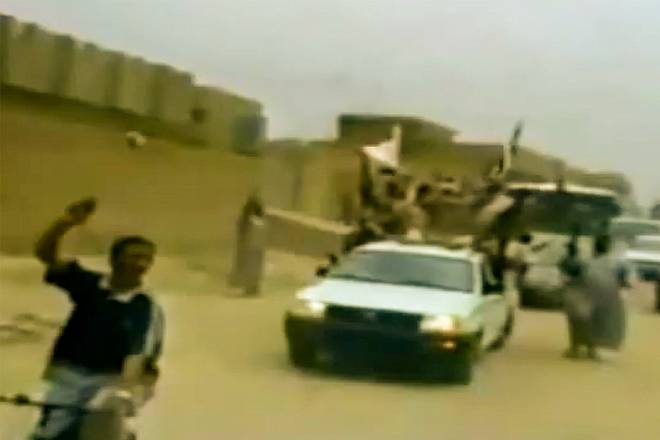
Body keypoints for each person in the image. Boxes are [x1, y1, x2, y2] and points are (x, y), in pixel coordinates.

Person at [31, 198, 165, 440]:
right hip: (68, 375)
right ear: (114, 260)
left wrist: (124, 392)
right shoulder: (90, 285)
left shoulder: (146, 307)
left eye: (147, 258)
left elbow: (141, 356)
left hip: (111, 382)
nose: (141, 264)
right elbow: (45, 254)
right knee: (49, 433)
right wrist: (65, 223)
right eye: (134, 257)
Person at [582, 234, 626, 358]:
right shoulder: (614, 262)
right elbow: (622, 280)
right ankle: (593, 348)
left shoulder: (588, 262)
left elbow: (582, 278)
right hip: (609, 296)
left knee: (590, 321)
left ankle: (589, 348)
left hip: (591, 295)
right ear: (608, 247)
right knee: (603, 322)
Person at [559, 240, 594, 359]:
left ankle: (575, 348)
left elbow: (563, 277)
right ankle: (590, 349)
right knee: (585, 323)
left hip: (572, 293)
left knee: (574, 323)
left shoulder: (564, 262)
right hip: (583, 294)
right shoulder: (583, 262)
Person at [229, 193, 266, 296]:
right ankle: (252, 287)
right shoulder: (260, 222)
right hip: (255, 247)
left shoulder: (250, 221)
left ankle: (249, 286)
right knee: (254, 266)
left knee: (250, 266)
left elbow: (242, 233)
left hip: (251, 247)